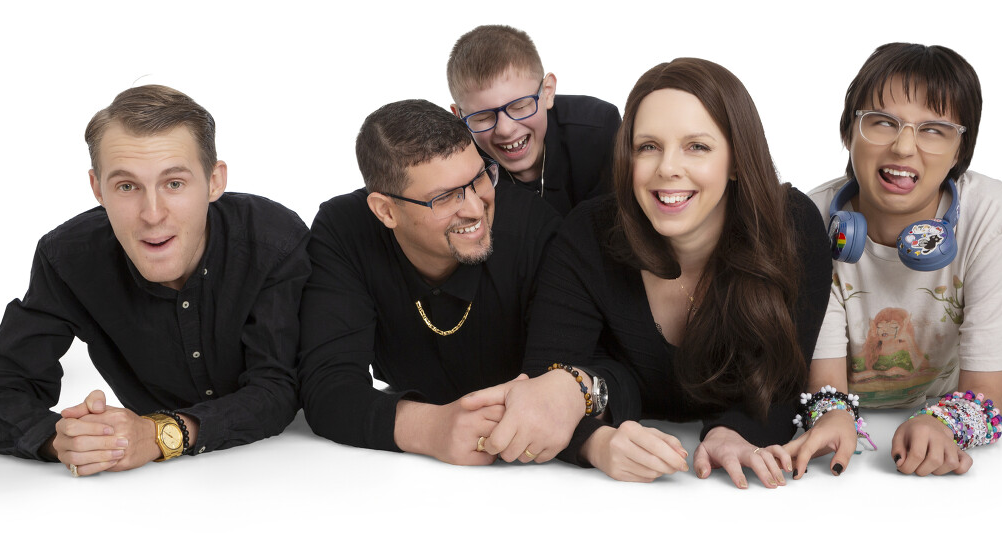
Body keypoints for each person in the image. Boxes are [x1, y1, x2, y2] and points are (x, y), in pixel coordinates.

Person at [464, 58, 831, 489]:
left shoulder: (792, 226)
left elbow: (785, 378)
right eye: (648, 146)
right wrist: (593, 443)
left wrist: (734, 432)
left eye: (697, 146)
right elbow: (546, 387)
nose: (667, 168)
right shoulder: (588, 233)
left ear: (736, 159)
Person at [0, 85, 309, 476]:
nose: (152, 214)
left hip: (281, 472)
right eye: (127, 186)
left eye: (174, 183)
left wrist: (159, 434)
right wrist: (65, 440)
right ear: (98, 189)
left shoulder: (273, 241)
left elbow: (278, 388)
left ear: (214, 181)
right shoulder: (68, 258)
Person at [792, 43, 1002, 477]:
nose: (904, 147)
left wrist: (941, 423)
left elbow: (986, 396)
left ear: (960, 151)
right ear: (848, 132)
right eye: (883, 122)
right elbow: (826, 387)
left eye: (934, 129)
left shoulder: (993, 215)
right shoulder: (809, 218)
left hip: (942, 393)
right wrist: (832, 415)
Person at [296, 99, 567, 465]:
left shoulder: (535, 228)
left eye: (479, 178)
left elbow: (561, 380)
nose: (476, 208)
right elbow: (328, 387)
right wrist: (431, 428)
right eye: (445, 197)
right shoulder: (343, 230)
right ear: (386, 211)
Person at [445, 25, 620, 216]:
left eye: (520, 106)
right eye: (483, 117)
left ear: (548, 92)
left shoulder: (599, 130)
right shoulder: (455, 171)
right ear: (459, 117)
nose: (505, 129)